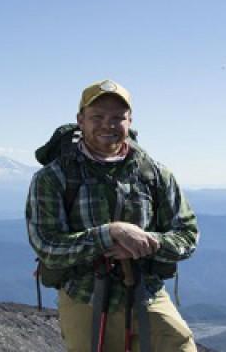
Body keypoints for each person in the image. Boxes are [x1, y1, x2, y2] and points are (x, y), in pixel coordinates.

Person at [27, 79, 199, 352]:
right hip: (84, 296)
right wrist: (110, 234)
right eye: (97, 116)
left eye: (118, 117)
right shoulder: (54, 176)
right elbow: (47, 244)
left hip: (147, 292)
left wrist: (144, 242)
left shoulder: (154, 173)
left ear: (130, 121)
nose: (108, 124)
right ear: (80, 120)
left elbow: (187, 235)